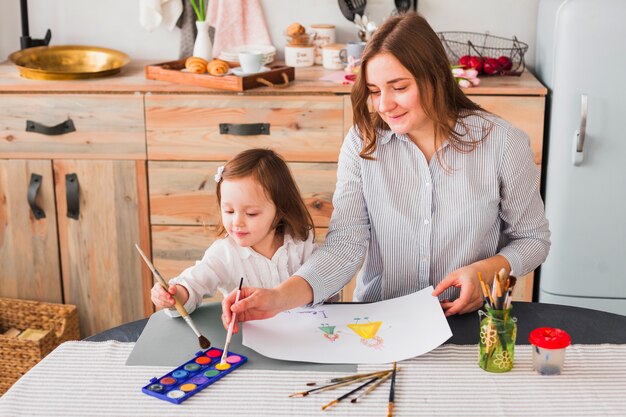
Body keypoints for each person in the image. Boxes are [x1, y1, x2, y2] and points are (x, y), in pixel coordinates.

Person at [222, 12, 550, 330]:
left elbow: (532, 239)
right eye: (375, 91)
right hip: (380, 323)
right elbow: (346, 243)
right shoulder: (362, 143)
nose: (383, 105)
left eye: (399, 87)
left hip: (470, 322)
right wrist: (279, 297)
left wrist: (489, 270)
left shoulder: (502, 142)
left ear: (435, 75)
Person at [151, 148, 316, 316]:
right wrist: (175, 295)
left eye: (251, 213)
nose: (237, 222)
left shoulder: (300, 244)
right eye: (229, 211)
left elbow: (326, 287)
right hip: (247, 338)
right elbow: (193, 284)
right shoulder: (224, 253)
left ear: (280, 209)